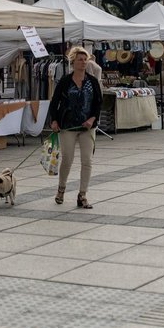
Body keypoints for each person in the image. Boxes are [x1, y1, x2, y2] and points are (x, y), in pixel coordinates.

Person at [47, 46, 102, 209]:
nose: (83, 62)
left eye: (85, 59)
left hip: (87, 126)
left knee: (87, 161)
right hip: (68, 126)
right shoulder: (65, 80)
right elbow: (54, 101)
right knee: (67, 159)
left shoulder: (92, 81)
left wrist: (92, 119)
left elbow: (98, 103)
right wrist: (54, 120)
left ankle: (82, 195)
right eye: (80, 59)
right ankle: (61, 189)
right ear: (73, 62)